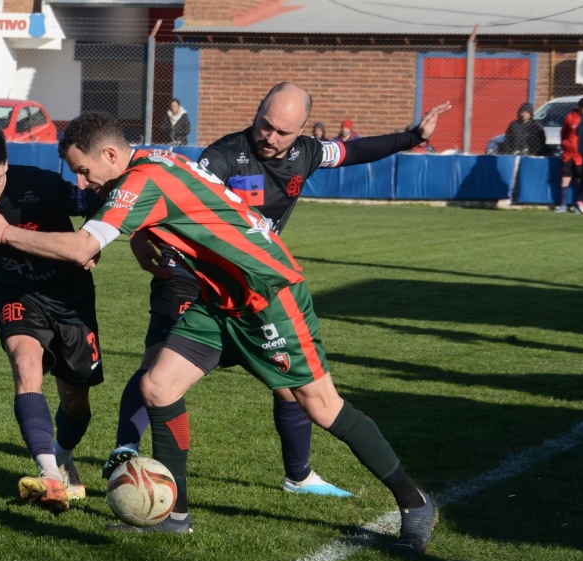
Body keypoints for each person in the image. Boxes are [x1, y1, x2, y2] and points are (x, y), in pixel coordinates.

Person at [0, 111, 439, 553]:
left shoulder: (141, 179)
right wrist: (149, 238)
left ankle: (415, 502)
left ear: (108, 155)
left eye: (83, 171)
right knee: (157, 384)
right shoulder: (152, 163)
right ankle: (176, 513)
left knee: (321, 406)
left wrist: (4, 232)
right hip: (217, 299)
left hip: (268, 296)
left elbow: (84, 245)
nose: (82, 182)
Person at [108, 82, 450, 499]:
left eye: (281, 132)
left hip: (255, 290)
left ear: (301, 130)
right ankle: (126, 451)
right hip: (191, 276)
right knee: (157, 368)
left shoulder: (307, 153)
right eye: (264, 125)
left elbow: (355, 152)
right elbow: (173, 201)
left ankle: (301, 475)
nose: (268, 137)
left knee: (295, 387)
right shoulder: (220, 157)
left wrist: (413, 137)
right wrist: (143, 236)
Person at [0, 123, 103, 515]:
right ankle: (49, 474)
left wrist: (91, 242)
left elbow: (97, 203)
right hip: (12, 292)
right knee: (25, 363)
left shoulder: (42, 184)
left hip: (70, 298)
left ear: (7, 165)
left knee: (76, 402)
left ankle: (64, 456)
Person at [554, 98, 583, 213]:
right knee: (565, 178)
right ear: (579, 107)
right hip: (568, 155)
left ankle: (578, 206)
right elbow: (563, 132)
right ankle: (563, 205)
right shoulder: (570, 117)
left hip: (580, 155)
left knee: (580, 180)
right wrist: (565, 144)